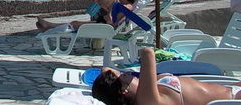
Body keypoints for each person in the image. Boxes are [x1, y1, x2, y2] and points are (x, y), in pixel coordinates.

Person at [92, 47, 241, 105]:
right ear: (123, 90)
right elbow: (148, 53)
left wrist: (112, 78)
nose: (130, 75)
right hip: (232, 101)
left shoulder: (147, 92)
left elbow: (105, 69)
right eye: (125, 76)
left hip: (232, 89)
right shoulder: (146, 100)